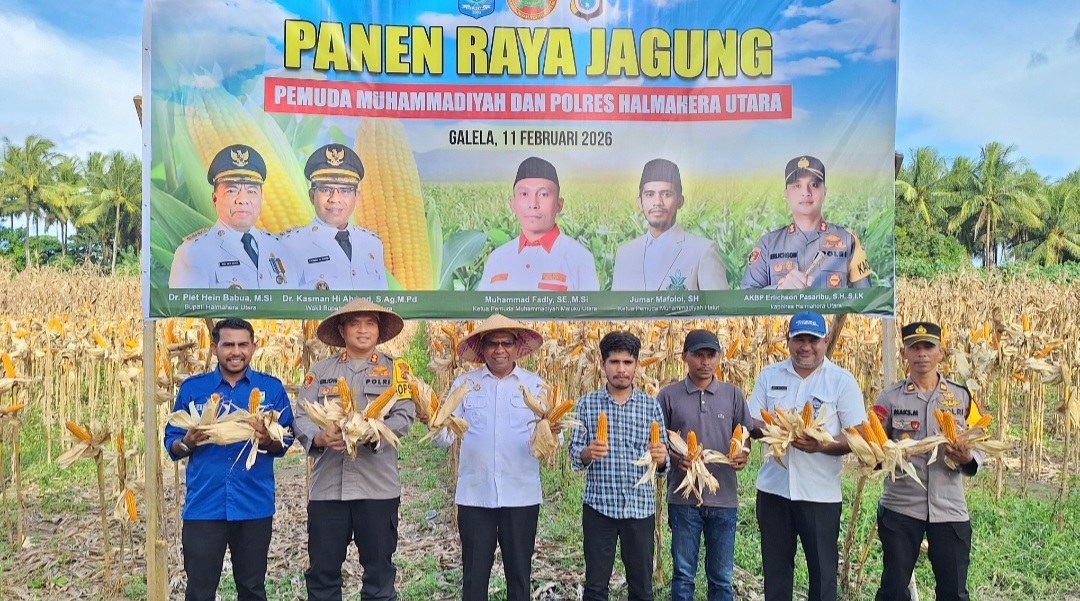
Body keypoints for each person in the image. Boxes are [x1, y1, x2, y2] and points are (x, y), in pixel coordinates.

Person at [420, 314, 551, 601]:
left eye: (506, 343)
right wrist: (431, 420)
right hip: (475, 496)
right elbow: (445, 438)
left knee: (519, 578)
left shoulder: (536, 386)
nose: (499, 350)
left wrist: (548, 433)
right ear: (482, 348)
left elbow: (551, 441)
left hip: (521, 496)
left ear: (517, 347)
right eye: (492, 344)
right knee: (474, 579)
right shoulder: (465, 384)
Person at [163, 318, 294, 601]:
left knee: (252, 589)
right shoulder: (192, 390)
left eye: (243, 344)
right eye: (228, 345)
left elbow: (286, 440)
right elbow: (172, 445)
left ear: (254, 347)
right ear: (214, 348)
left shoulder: (271, 389)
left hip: (253, 506)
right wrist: (188, 442)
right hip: (204, 507)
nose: (236, 352)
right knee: (199, 591)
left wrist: (266, 438)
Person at [292, 298, 414, 601]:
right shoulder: (319, 372)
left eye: (369, 322)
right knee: (322, 574)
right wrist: (319, 437)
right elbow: (301, 416)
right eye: (355, 323)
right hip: (328, 490)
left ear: (378, 330)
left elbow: (404, 414)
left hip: (377, 489)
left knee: (379, 573)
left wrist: (374, 433)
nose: (362, 330)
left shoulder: (396, 371)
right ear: (343, 330)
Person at [748, 311, 867, 601]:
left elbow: (858, 435)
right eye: (799, 339)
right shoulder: (769, 376)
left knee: (823, 576)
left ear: (825, 341)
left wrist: (821, 445)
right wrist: (779, 433)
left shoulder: (841, 381)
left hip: (820, 495)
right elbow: (752, 423)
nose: (805, 346)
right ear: (788, 340)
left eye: (813, 340)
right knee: (776, 574)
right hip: (774, 492)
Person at [873, 322, 984, 601]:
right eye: (914, 347)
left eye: (928, 346)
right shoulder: (889, 398)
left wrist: (967, 458)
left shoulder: (962, 397)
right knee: (893, 591)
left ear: (941, 352)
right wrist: (879, 455)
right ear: (903, 353)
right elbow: (872, 448)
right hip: (901, 507)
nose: (921, 353)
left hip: (949, 509)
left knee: (954, 592)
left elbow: (981, 442)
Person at [569, 331, 668, 601]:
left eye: (627, 362)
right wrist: (588, 453)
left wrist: (660, 459)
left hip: (639, 509)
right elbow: (574, 457)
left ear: (637, 365)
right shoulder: (587, 405)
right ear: (603, 364)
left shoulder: (651, 407)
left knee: (641, 588)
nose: (621, 369)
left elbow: (664, 464)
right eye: (614, 362)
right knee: (596, 587)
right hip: (600, 507)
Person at [658, 329, 751, 601]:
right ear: (684, 356)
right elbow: (657, 443)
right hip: (683, 499)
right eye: (698, 355)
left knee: (721, 579)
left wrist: (742, 454)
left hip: (723, 500)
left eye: (711, 355)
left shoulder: (733, 395)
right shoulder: (669, 396)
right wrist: (677, 460)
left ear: (720, 357)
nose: (705, 362)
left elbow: (744, 435)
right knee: (683, 575)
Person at [169, 144, 293, 289]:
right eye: (232, 191)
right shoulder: (193, 253)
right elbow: (186, 310)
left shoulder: (279, 247)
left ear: (262, 198)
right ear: (215, 199)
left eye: (251, 191)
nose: (242, 199)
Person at [740, 156, 873, 289]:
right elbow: (746, 300)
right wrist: (778, 290)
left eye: (814, 185)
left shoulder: (848, 240)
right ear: (786, 193)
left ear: (824, 192)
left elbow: (867, 302)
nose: (806, 192)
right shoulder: (767, 245)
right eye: (797, 186)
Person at [478, 156, 600, 291]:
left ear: (559, 205)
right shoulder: (496, 259)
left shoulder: (579, 258)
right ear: (513, 204)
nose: (533, 204)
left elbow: (590, 312)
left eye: (543, 194)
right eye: (524, 194)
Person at [283, 144, 388, 290]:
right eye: (326, 190)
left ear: (357, 198)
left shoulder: (372, 243)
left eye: (345, 191)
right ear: (312, 196)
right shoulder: (289, 245)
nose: (335, 199)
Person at [612, 159, 729, 291]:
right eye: (650, 194)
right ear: (640, 202)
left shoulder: (703, 251)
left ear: (680, 201)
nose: (657, 202)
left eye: (666, 194)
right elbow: (617, 310)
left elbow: (720, 310)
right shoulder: (625, 254)